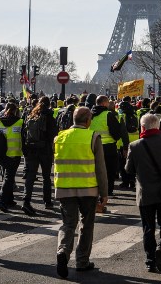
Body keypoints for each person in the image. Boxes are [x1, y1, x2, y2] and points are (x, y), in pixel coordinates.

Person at [124, 113, 161, 273]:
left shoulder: (134, 146)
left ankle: (150, 261)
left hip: (145, 192)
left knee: (148, 227)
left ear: (142, 127)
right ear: (158, 126)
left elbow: (128, 169)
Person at [54, 106, 108, 278]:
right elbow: (100, 168)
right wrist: (104, 192)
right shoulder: (92, 137)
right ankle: (82, 261)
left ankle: (63, 250)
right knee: (86, 224)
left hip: (64, 187)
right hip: (88, 188)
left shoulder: (60, 137)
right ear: (88, 121)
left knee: (68, 223)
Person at [22, 96, 59, 214]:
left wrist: (25, 149)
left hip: (31, 149)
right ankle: (47, 201)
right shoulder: (49, 117)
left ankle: (26, 201)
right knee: (46, 177)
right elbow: (54, 135)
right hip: (45, 150)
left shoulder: (31, 115)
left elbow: (24, 133)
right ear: (49, 105)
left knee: (30, 176)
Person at [89, 95, 127, 201]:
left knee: (95, 169)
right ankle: (108, 191)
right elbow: (116, 133)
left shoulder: (90, 114)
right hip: (108, 147)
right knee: (109, 171)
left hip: (93, 146)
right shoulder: (108, 115)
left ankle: (95, 191)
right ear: (104, 103)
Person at [0, 102, 23, 212]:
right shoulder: (20, 122)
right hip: (15, 153)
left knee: (8, 175)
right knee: (9, 177)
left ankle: (9, 199)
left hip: (1, 154)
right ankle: (2, 200)